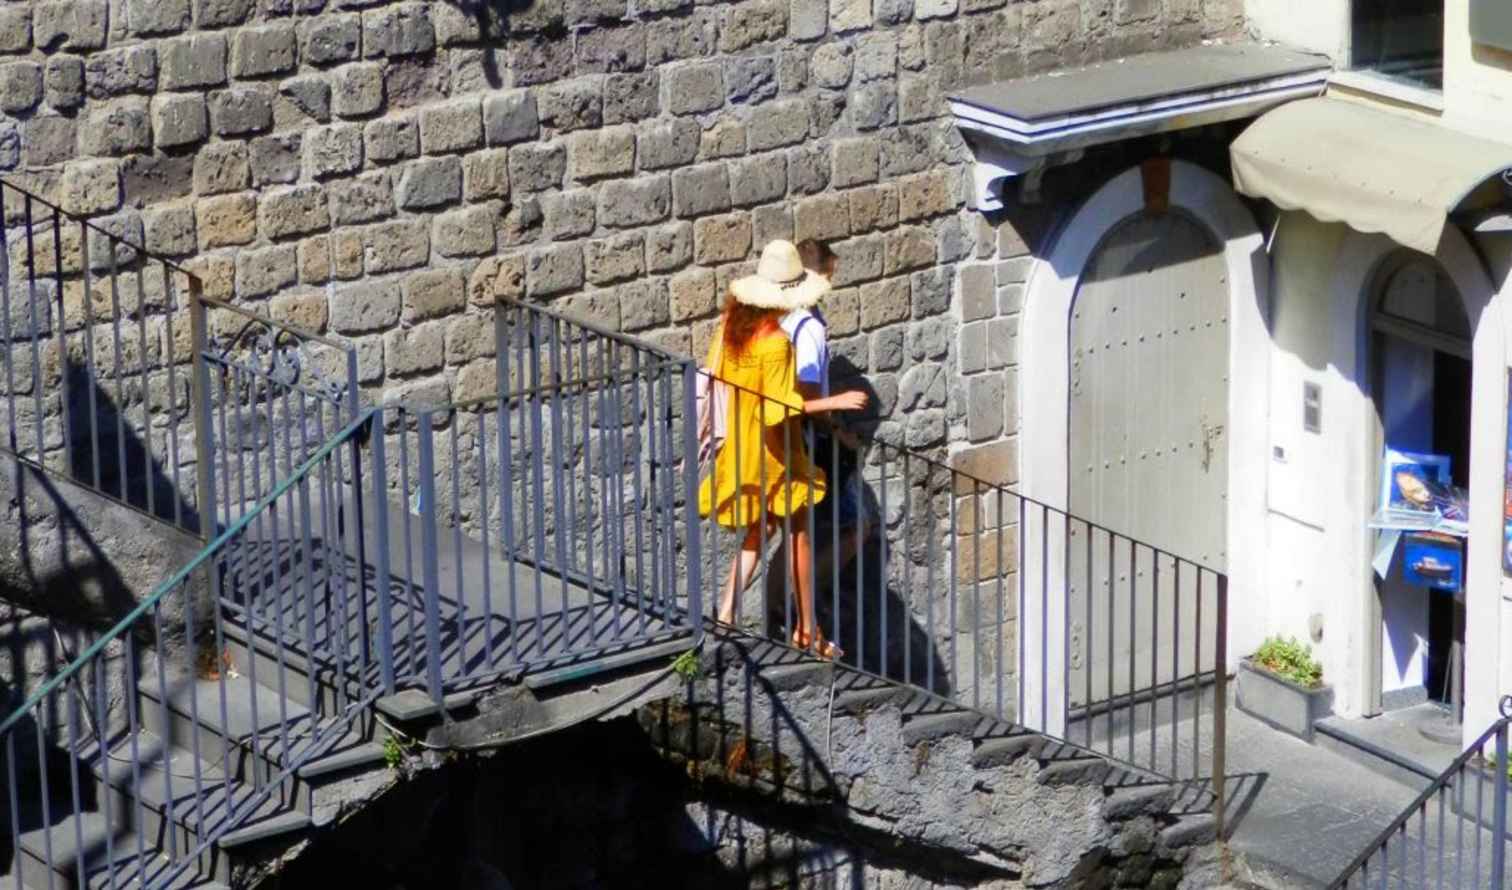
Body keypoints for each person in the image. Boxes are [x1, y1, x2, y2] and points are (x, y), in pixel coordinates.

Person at [698, 240, 869, 660]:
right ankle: (807, 631)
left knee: (758, 533)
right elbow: (779, 407)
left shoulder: (732, 326)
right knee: (801, 538)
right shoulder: (775, 341)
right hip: (775, 447)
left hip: (743, 442)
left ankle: (724, 614)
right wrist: (835, 403)